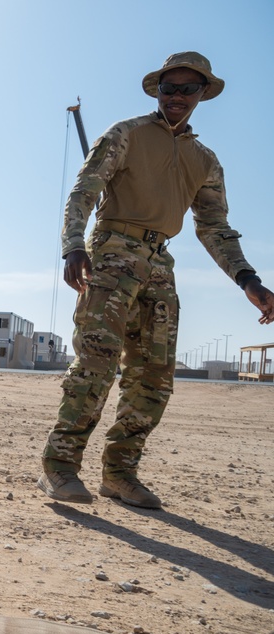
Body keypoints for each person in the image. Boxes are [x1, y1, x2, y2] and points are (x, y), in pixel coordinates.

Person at [38, 52, 274, 509]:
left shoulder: (204, 160)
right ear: (157, 91)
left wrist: (248, 280)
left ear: (202, 94)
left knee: (154, 378)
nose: (178, 97)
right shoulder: (126, 134)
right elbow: (84, 191)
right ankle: (60, 466)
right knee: (96, 366)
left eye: (188, 89)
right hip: (109, 256)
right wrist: (73, 245)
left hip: (160, 266)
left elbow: (215, 227)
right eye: (170, 88)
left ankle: (120, 473)